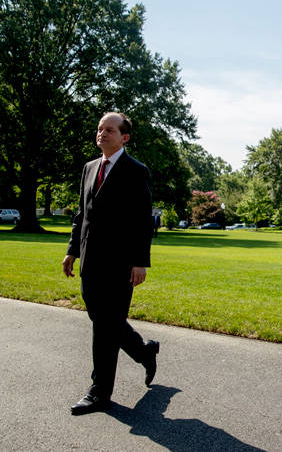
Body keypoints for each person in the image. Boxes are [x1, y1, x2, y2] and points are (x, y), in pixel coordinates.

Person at [62, 112, 160, 415]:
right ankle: (144, 351)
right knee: (104, 321)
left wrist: (140, 262)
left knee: (105, 328)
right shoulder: (89, 168)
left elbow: (143, 221)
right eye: (100, 129)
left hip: (120, 265)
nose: (102, 134)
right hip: (90, 262)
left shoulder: (136, 171)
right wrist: (71, 250)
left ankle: (99, 392)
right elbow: (83, 214)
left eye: (110, 130)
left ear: (124, 137)